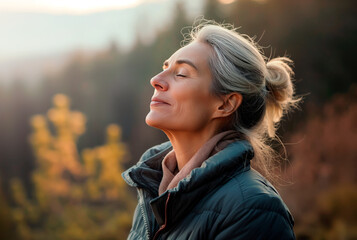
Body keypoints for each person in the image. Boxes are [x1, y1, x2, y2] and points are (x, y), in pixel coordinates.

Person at [122, 21, 299, 240]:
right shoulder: (153, 191)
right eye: (165, 68)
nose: (156, 80)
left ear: (225, 104)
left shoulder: (253, 210)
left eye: (181, 74)